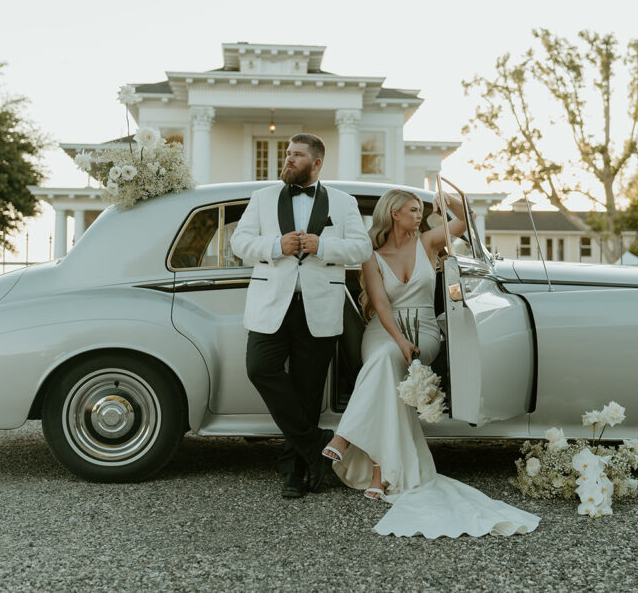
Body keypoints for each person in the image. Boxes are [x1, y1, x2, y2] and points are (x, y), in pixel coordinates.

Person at [322, 188, 540, 537]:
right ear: (394, 213)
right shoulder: (371, 255)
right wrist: (399, 340)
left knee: (382, 366)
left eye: (421, 210)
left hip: (424, 331)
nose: (419, 215)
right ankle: (379, 471)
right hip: (384, 330)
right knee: (384, 361)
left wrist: (447, 200)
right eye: (412, 209)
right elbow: (379, 304)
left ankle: (345, 437)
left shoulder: (427, 242)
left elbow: (465, 223)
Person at [230, 133, 372, 499]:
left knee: (308, 393)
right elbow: (240, 243)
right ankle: (316, 443)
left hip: (319, 306)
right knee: (259, 368)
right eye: (288, 153)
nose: (289, 159)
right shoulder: (262, 199)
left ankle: (295, 471)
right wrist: (276, 246)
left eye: (297, 155)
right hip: (270, 306)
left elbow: (362, 247)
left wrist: (321, 245)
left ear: (317, 163)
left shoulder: (343, 203)